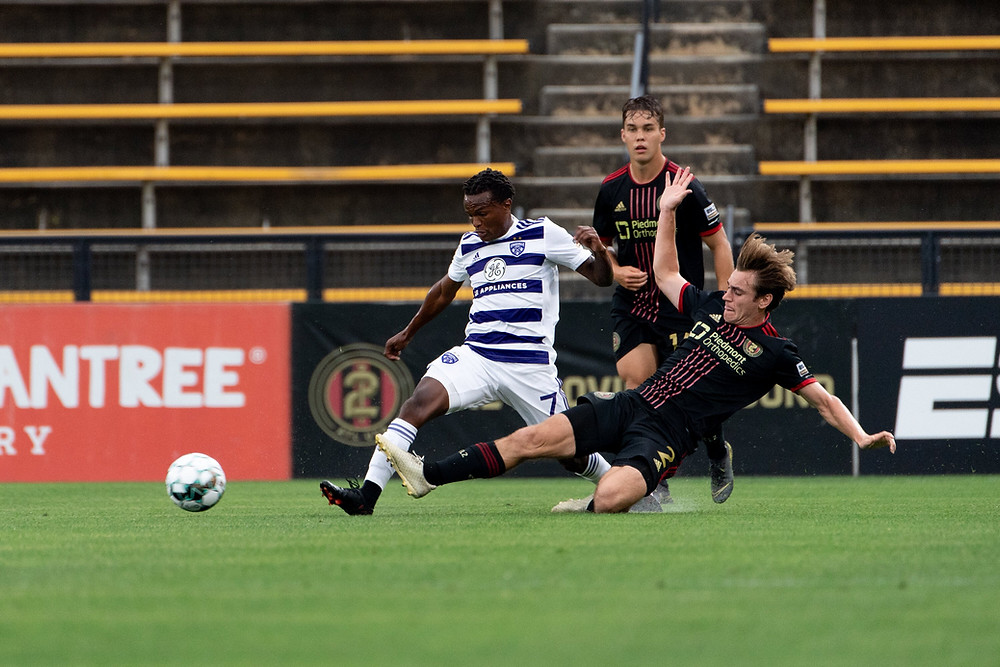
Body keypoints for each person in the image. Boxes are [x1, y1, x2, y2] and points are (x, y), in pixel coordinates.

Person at [376, 166, 896, 513]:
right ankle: (428, 476)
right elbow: (666, 271)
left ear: (765, 302)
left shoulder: (777, 353)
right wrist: (667, 210)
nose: (728, 293)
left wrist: (861, 436)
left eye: (738, 291)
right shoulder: (711, 306)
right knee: (528, 442)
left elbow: (824, 401)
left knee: (608, 499)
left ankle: (607, 496)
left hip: (668, 435)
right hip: (631, 406)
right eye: (730, 286)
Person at [320, 167, 619, 515]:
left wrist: (599, 251)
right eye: (470, 215)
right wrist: (408, 332)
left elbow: (601, 278)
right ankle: (365, 498)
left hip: (529, 366)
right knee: (417, 404)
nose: (475, 222)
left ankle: (624, 486)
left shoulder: (543, 233)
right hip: (477, 356)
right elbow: (444, 291)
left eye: (482, 213)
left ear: (506, 205)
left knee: (572, 452)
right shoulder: (469, 244)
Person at [584, 94, 736, 504]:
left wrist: (723, 304)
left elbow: (720, 245)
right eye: (632, 129)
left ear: (662, 134)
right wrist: (616, 271)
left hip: (680, 306)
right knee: (638, 387)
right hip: (632, 306)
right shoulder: (611, 189)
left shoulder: (685, 186)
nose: (640, 137)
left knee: (692, 396)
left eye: (648, 129)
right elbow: (604, 250)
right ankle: (654, 479)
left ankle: (718, 449)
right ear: (622, 135)